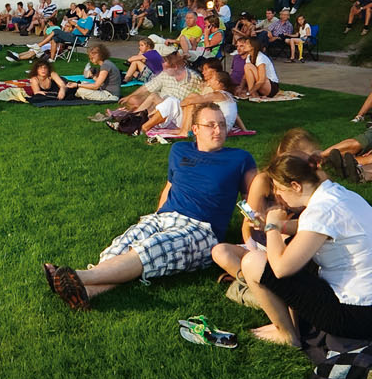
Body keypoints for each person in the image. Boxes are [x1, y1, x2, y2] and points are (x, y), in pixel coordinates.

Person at [42, 100, 256, 309]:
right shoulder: (180, 150)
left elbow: (253, 201)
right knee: (118, 248)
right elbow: (169, 187)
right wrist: (156, 218)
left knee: (149, 249)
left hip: (201, 229)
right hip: (165, 217)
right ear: (195, 129)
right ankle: (87, 293)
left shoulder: (240, 159)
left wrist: (251, 240)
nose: (218, 130)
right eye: (210, 125)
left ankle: (77, 276)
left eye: (222, 124)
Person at [209, 150, 372, 346]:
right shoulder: (338, 195)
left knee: (253, 262)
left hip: (355, 317)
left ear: (295, 186)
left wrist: (273, 227)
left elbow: (281, 269)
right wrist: (275, 225)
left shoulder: (320, 211)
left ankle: (287, 334)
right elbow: (309, 228)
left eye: (279, 189)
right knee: (291, 245)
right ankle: (292, 323)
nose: (277, 195)